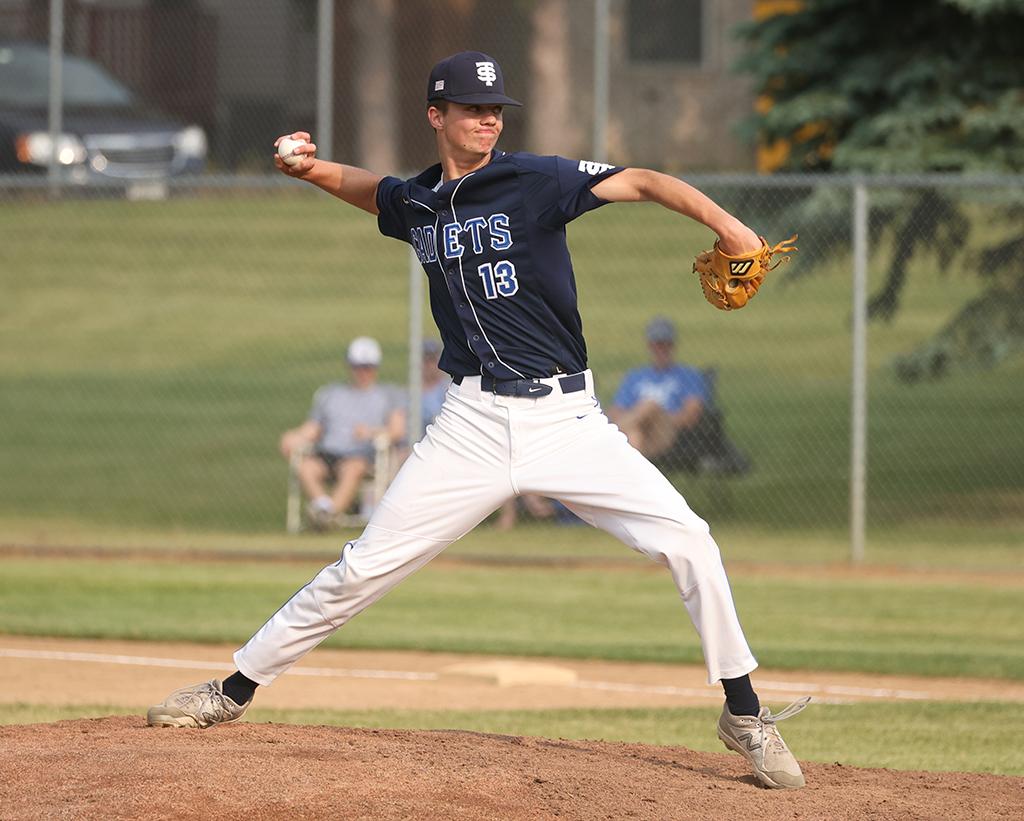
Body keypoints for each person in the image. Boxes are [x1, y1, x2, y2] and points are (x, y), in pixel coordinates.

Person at [147, 51, 809, 790]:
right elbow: (375, 192)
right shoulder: (420, 201)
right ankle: (232, 690)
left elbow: (647, 181)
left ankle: (744, 713)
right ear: (436, 115)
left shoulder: (534, 180)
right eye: (471, 107)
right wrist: (308, 169)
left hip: (569, 421)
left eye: (496, 108)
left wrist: (730, 225)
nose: (488, 118)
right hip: (470, 423)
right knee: (362, 567)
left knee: (689, 539)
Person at [279, 336, 406, 529]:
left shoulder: (388, 395)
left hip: (361, 456)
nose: (362, 372)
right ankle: (325, 510)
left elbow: (397, 431)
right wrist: (294, 437)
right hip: (328, 454)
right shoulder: (331, 394)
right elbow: (313, 429)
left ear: (375, 367)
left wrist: (371, 432)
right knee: (306, 467)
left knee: (353, 468)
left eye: (367, 366)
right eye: (358, 366)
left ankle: (327, 516)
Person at [608, 317, 750, 476]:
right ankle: (634, 481)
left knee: (650, 405)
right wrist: (643, 421)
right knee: (635, 435)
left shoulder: (688, 375)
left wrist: (657, 418)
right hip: (638, 433)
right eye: (657, 344)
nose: (661, 348)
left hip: (670, 432)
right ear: (650, 346)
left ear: (673, 345)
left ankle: (606, 444)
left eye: (665, 344)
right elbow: (615, 411)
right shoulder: (635, 376)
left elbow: (692, 413)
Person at [420, 338, 450, 428]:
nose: (429, 365)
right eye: (426, 361)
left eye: (432, 360)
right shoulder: (412, 391)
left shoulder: (448, 389)